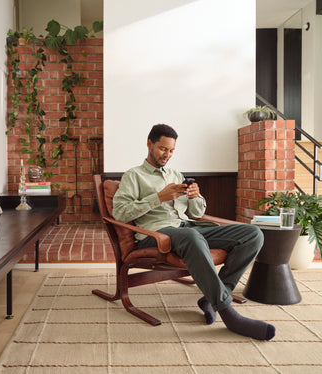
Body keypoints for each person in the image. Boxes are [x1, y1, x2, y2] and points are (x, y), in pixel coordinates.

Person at [112, 124, 275, 341]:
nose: (167, 155)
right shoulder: (133, 176)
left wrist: (195, 196)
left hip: (188, 228)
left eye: (171, 151)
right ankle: (228, 313)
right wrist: (158, 197)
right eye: (162, 149)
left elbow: (198, 212)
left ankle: (211, 298)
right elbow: (120, 213)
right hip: (156, 236)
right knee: (192, 236)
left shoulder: (175, 174)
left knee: (253, 234)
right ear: (149, 143)